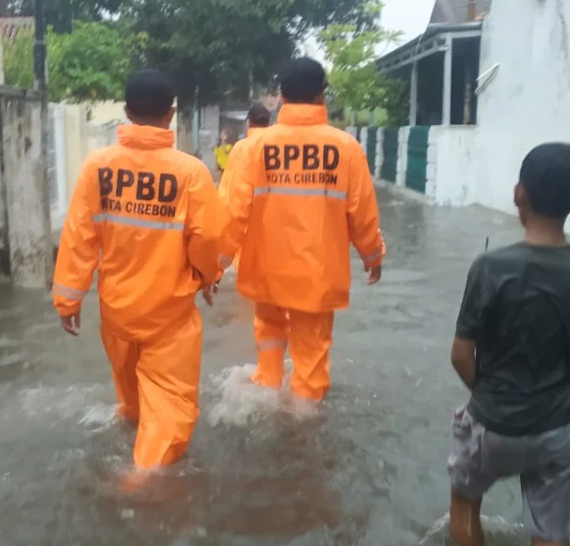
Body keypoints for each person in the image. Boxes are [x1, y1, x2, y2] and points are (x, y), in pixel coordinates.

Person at [446, 142, 570, 546]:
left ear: (518, 194)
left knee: (463, 507)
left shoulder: (490, 267)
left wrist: (490, 395)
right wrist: (567, 400)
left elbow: (460, 355)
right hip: (561, 428)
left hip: (493, 422)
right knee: (552, 545)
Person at [52, 69, 227, 473]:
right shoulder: (190, 172)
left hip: (116, 312)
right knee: (168, 410)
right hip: (169, 316)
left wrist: (69, 297)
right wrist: (206, 277)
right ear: (171, 114)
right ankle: (140, 488)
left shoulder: (97, 166)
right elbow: (208, 238)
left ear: (127, 112)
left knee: (131, 402)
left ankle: (132, 433)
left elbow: (79, 235)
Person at [220, 58, 385, 407]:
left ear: (280, 96)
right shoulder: (346, 149)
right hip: (317, 273)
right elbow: (363, 214)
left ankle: (267, 386)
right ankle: (304, 427)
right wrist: (373, 256)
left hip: (266, 268)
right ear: (322, 96)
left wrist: (213, 266)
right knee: (311, 357)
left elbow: (231, 214)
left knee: (268, 331)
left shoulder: (252, 149)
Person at [218, 103, 273, 275]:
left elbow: (233, 201)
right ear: (268, 123)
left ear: (249, 123)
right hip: (280, 241)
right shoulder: (281, 147)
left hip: (249, 240)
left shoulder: (242, 149)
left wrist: (226, 249)